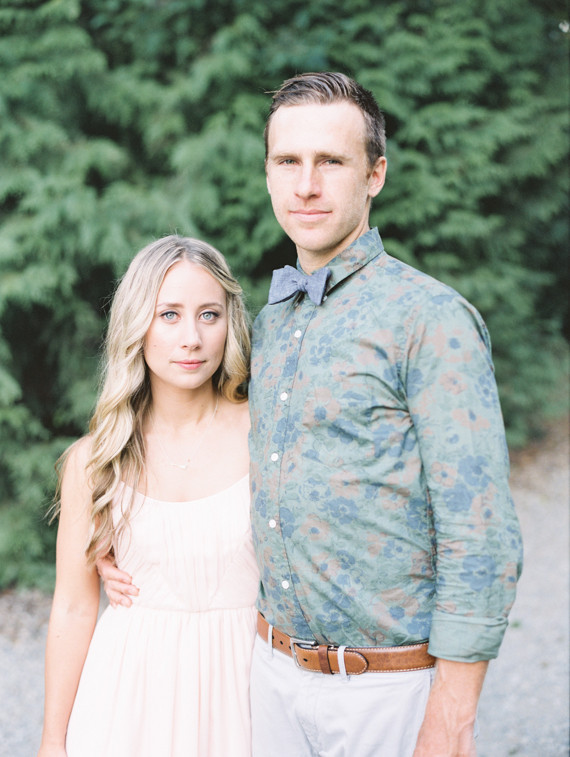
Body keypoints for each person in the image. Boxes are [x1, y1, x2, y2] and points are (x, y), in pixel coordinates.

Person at [101, 72, 523, 757]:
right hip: (269, 677)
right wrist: (129, 541)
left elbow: (480, 528)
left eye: (330, 161)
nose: (306, 185)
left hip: (389, 685)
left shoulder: (429, 318)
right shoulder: (268, 325)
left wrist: (453, 709)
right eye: (287, 161)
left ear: (375, 174)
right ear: (268, 174)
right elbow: (202, 444)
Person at [38, 235, 258, 757]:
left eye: (209, 315)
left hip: (246, 692)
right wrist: (52, 740)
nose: (192, 339)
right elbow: (73, 608)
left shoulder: (266, 433)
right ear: (137, 324)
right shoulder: (96, 461)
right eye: (169, 315)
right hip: (128, 702)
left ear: (230, 323)